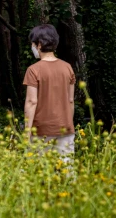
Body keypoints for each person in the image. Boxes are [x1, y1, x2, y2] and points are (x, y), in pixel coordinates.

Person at [23, 24, 76, 160]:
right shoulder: (68, 68)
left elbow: (31, 101)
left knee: (39, 174)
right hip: (66, 130)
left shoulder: (33, 70)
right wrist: (68, 123)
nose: (32, 47)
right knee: (66, 173)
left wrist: (26, 132)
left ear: (39, 45)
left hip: (41, 131)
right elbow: (70, 100)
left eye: (33, 44)